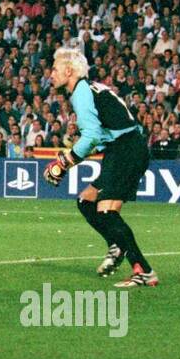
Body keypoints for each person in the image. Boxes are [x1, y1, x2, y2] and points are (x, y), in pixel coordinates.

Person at [44, 46, 158, 288]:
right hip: (122, 148)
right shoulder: (92, 88)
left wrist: (63, 163)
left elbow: (92, 136)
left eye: (54, 68)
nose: (50, 74)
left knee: (106, 211)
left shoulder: (82, 92)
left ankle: (143, 270)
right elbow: (99, 136)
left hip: (126, 148)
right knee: (86, 201)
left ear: (69, 70)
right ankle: (116, 246)